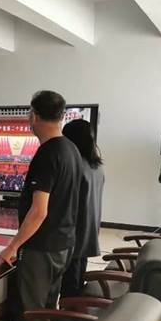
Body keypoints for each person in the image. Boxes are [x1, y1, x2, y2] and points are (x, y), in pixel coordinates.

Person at [0, 91, 82, 321]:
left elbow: (39, 211)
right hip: (63, 244)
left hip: (41, 248)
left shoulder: (47, 154)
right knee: (47, 306)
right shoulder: (71, 149)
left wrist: (12, 247)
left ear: (33, 116)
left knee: (30, 310)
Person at [61, 119, 105, 296]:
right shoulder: (97, 166)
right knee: (78, 280)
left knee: (69, 287)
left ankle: (70, 312)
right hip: (88, 231)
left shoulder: (75, 166)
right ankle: (76, 307)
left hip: (73, 235)